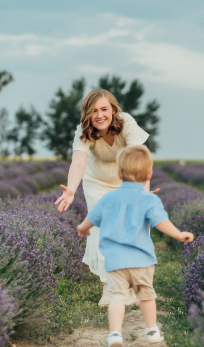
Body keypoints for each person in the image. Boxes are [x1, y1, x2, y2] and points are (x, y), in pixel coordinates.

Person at [76, 146, 195, 347]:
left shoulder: (109, 198)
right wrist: (178, 235)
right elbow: (162, 223)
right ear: (149, 175)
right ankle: (151, 330)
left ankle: (114, 335)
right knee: (146, 296)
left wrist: (83, 229)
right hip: (141, 261)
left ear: (119, 174)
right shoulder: (149, 200)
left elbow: (91, 218)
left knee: (117, 298)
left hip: (114, 261)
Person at [53, 89, 151, 307]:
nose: (99, 115)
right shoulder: (83, 131)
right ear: (87, 114)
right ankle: (109, 289)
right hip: (96, 181)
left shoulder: (127, 124)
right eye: (93, 111)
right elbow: (78, 162)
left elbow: (138, 157)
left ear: (114, 110)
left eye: (104, 109)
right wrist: (70, 190)